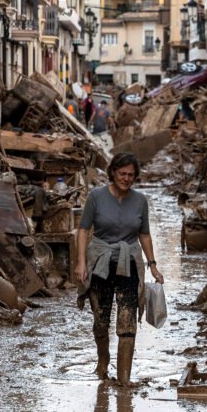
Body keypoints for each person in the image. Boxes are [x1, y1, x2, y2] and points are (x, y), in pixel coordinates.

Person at [76, 153, 164, 386]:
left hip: (129, 263)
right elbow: (83, 230)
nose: (126, 179)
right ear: (113, 172)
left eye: (131, 175)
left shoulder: (140, 200)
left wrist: (153, 265)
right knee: (101, 320)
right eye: (122, 174)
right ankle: (103, 360)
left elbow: (144, 234)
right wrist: (81, 262)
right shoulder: (96, 197)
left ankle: (124, 378)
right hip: (100, 263)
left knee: (127, 322)